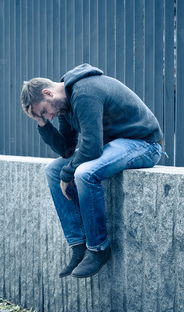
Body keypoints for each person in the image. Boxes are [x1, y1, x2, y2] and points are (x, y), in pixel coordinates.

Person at [20, 63, 165, 278]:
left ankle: (98, 249)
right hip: (115, 146)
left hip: (143, 144)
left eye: (44, 111)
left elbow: (92, 148)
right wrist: (42, 124)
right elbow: (68, 150)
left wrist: (67, 173)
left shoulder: (84, 92)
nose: (49, 115)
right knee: (52, 170)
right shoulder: (65, 105)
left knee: (84, 173)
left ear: (48, 93)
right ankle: (79, 246)